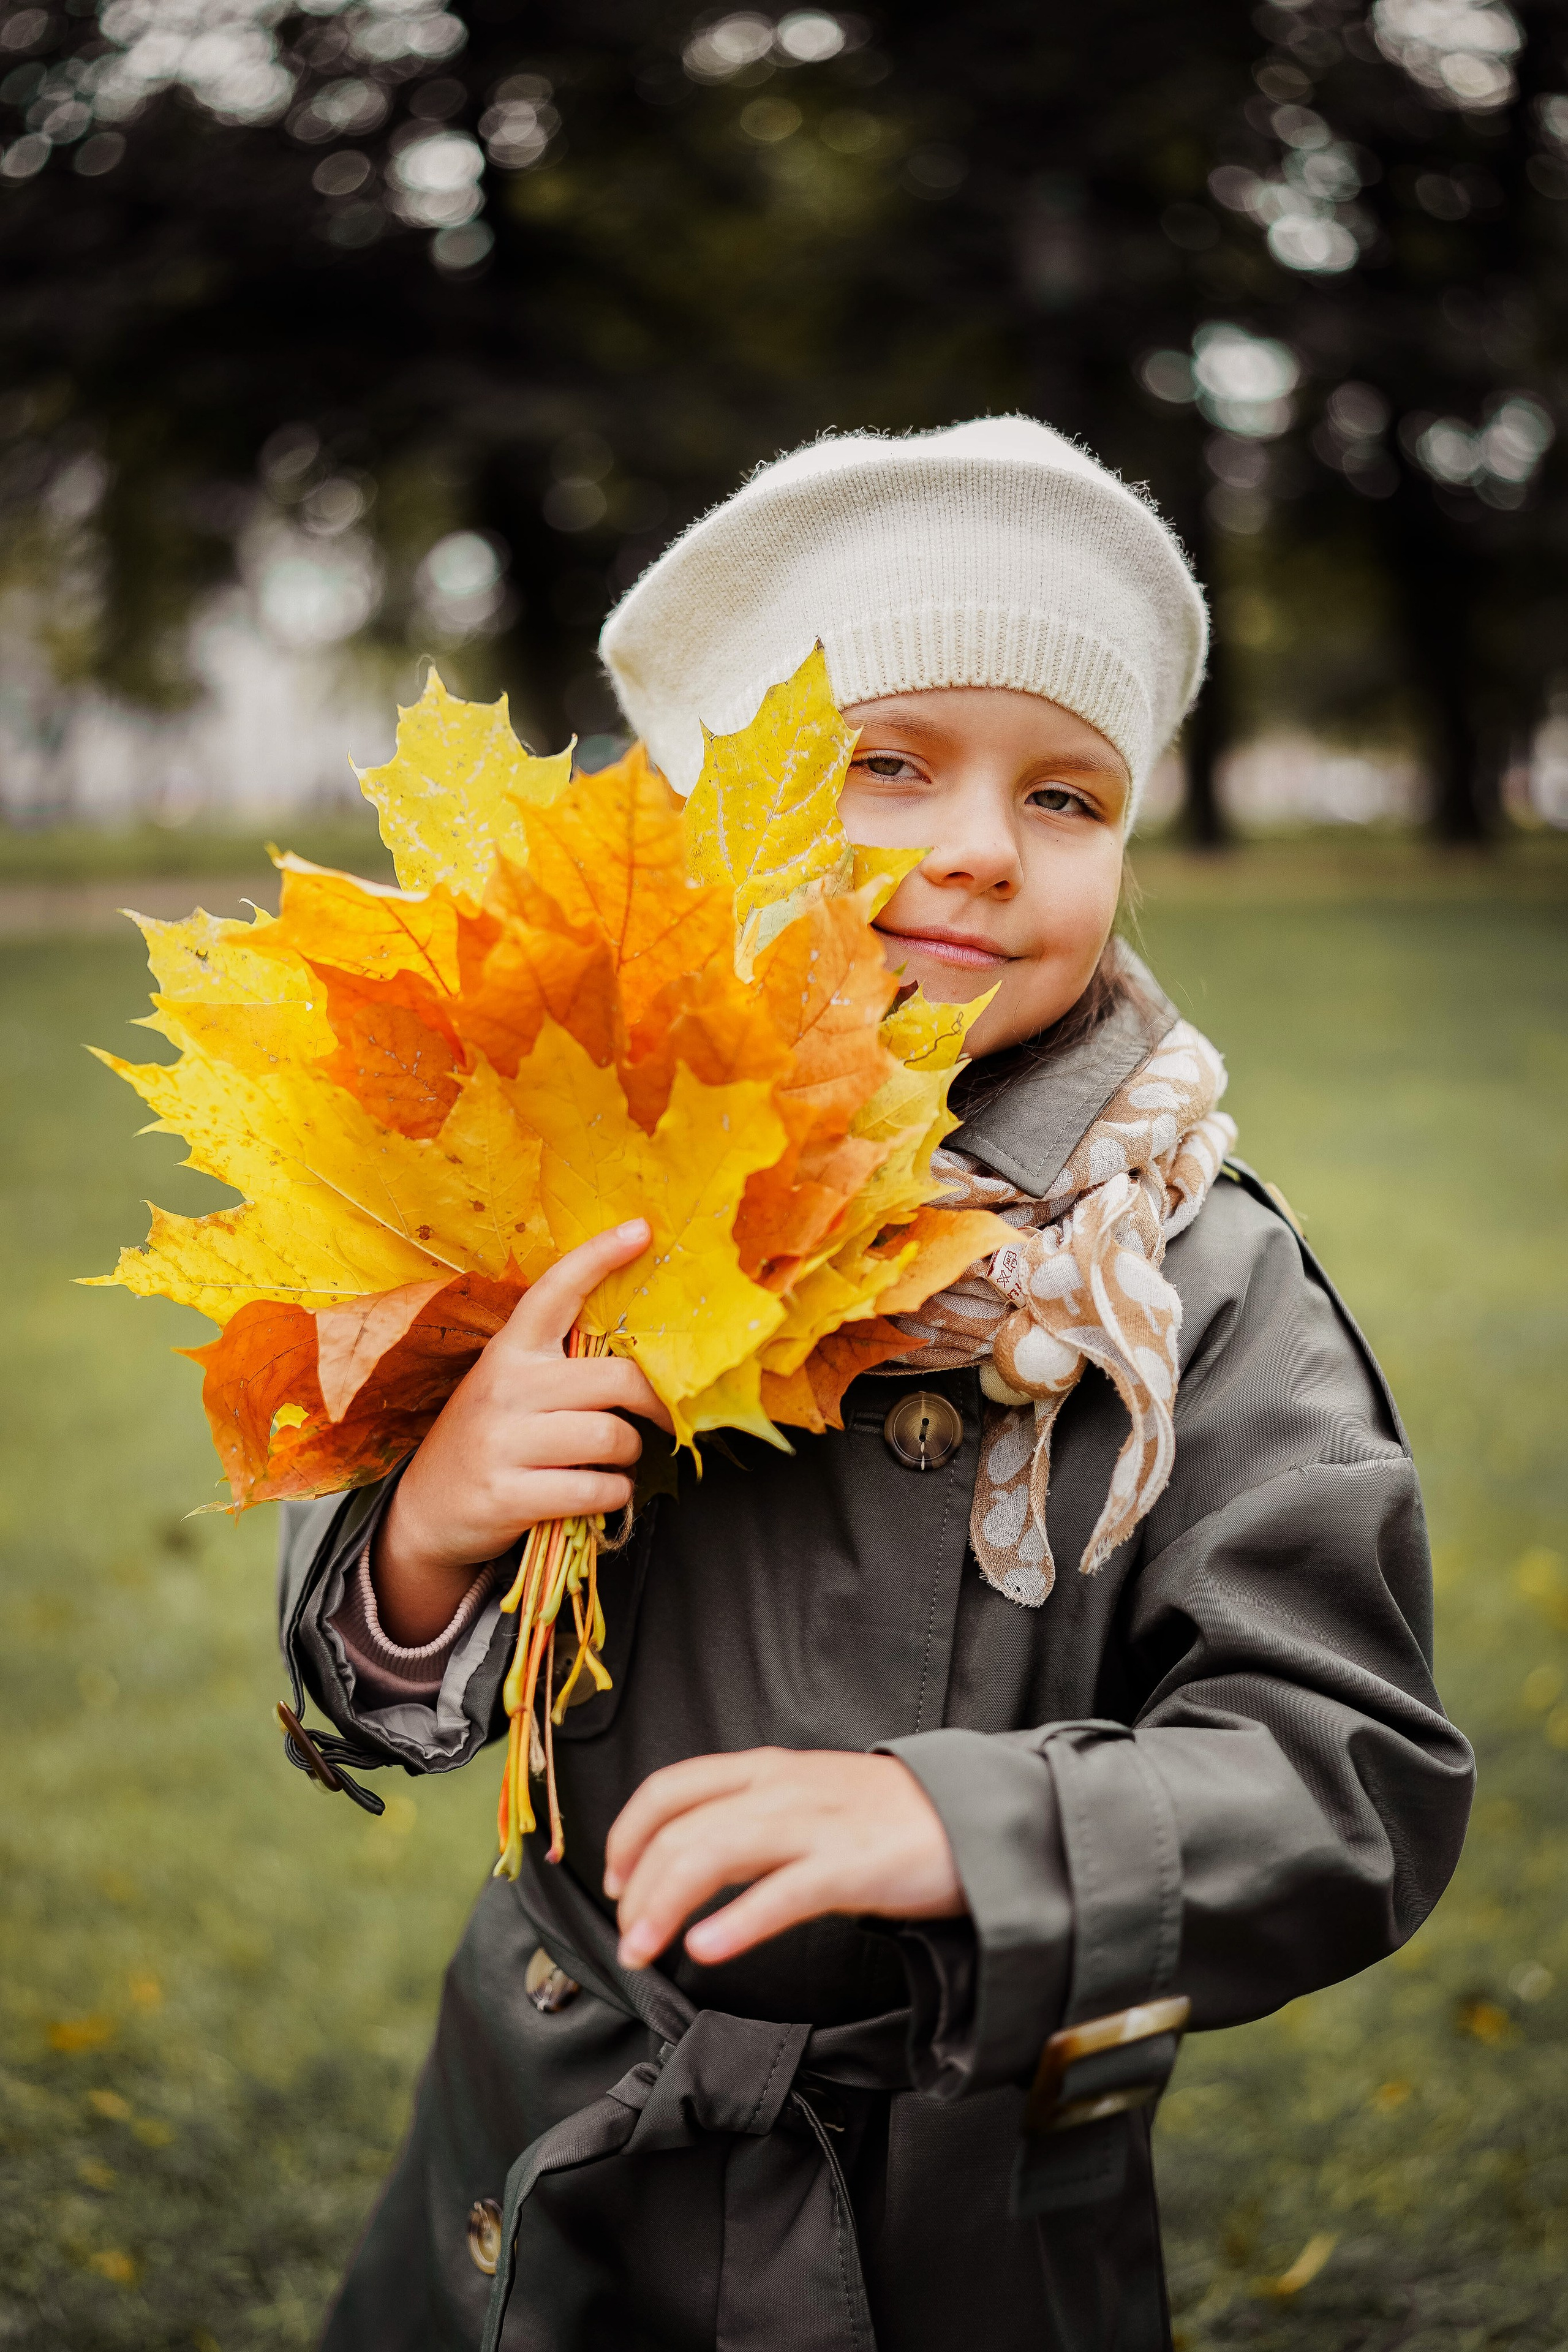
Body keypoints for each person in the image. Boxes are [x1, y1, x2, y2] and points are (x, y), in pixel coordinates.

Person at [276, 419, 1474, 2352]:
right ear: (711, 822)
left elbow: (1353, 1780)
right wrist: (429, 1530)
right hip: (551, 2125)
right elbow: (380, 1675)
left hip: (948, 2198)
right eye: (884, 767)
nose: (980, 847)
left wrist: (966, 1832)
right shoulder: (578, 1177)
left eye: (1068, 797)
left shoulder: (1177, 1279)